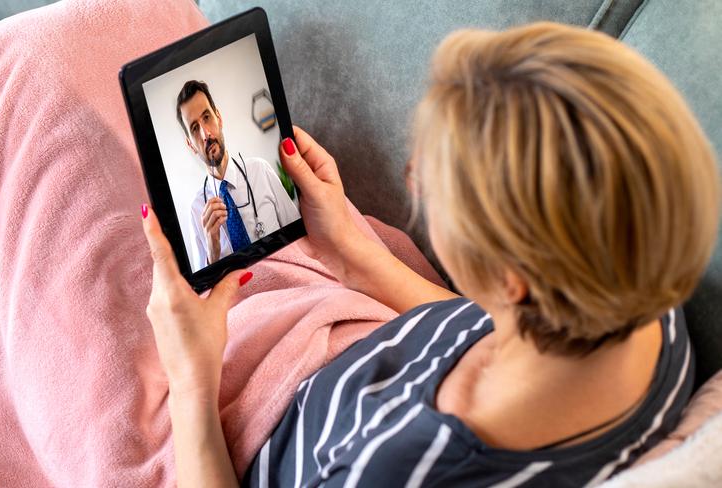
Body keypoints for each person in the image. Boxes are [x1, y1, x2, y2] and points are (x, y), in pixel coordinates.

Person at [142, 22, 719, 487]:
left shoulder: (403, 467)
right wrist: (351, 254)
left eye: (431, 181)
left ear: (510, 277)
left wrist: (191, 382)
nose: (410, 175)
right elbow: (495, 326)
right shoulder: (646, 307)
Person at [177, 80, 300, 268]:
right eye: (194, 128)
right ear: (190, 145)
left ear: (219, 118)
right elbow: (203, 291)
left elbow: (299, 235)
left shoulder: (261, 170)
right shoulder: (196, 211)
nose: (205, 134)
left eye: (207, 117)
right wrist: (212, 251)